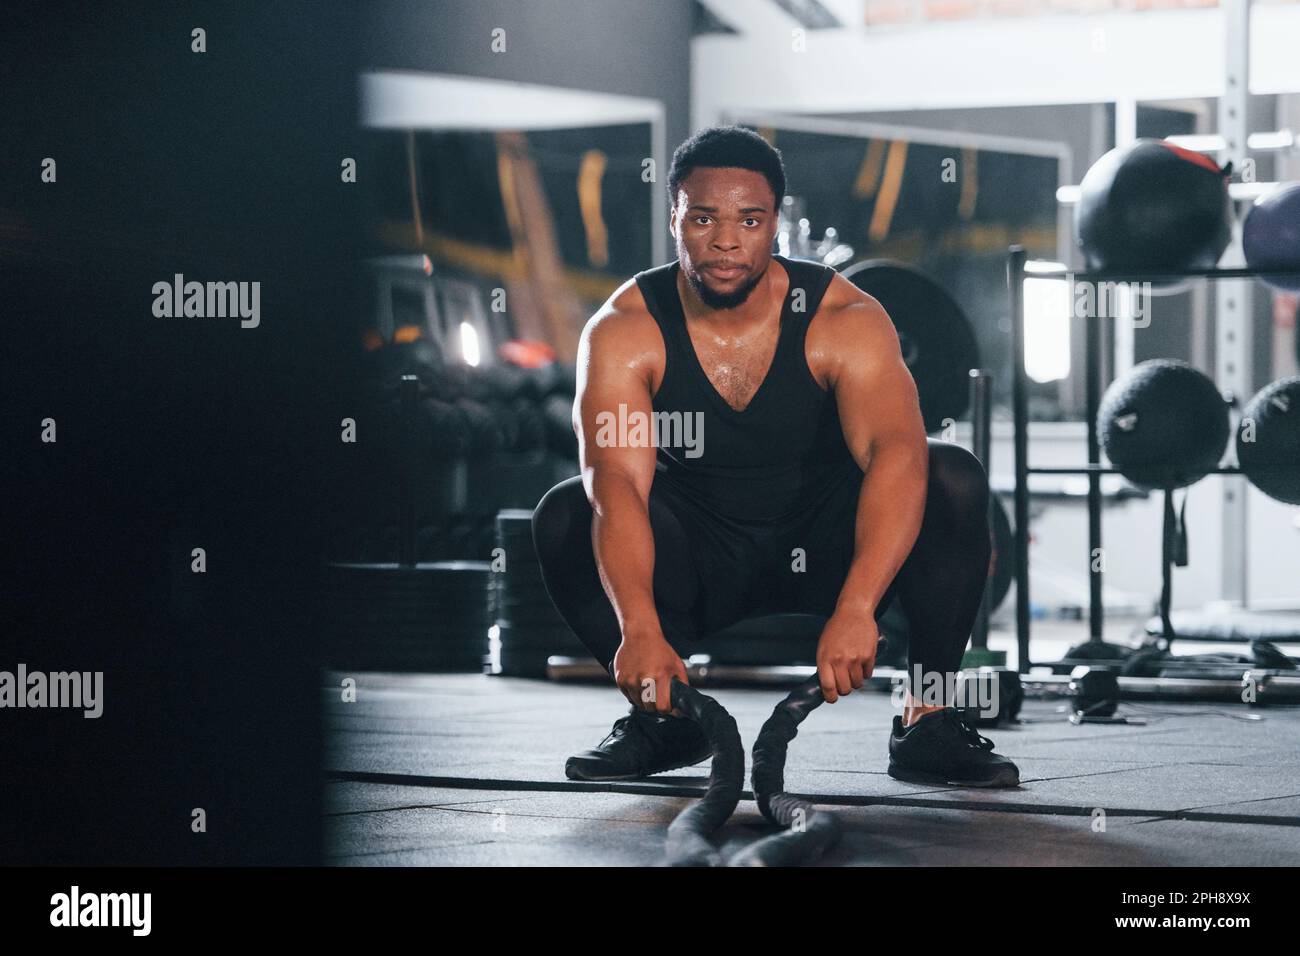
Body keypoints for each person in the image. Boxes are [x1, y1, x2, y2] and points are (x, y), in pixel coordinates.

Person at [532, 126, 1018, 788]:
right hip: (703, 557)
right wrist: (638, 628)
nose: (727, 240)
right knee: (563, 516)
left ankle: (927, 717)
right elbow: (617, 485)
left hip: (825, 543)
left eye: (749, 220)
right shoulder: (625, 330)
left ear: (775, 224)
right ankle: (664, 722)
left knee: (952, 477)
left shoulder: (843, 317)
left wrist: (857, 606)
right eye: (704, 218)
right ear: (675, 215)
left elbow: (895, 460)